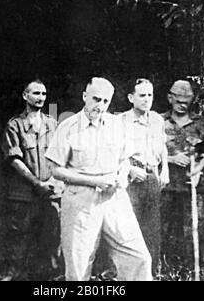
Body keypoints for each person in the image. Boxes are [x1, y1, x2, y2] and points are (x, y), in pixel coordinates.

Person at [45, 77, 152, 281]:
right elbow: (56, 169)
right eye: (96, 99)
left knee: (139, 257)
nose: (100, 105)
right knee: (79, 265)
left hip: (114, 197)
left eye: (105, 101)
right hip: (80, 200)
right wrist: (94, 182)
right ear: (85, 96)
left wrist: (121, 177)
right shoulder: (68, 126)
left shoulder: (117, 125)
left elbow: (125, 159)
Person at [2, 80, 62, 281]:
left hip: (51, 193)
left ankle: (49, 281)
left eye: (44, 94)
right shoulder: (15, 125)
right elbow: (14, 159)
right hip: (24, 196)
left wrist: (52, 181)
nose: (41, 97)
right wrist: (37, 183)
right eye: (36, 93)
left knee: (51, 240)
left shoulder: (52, 123)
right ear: (25, 96)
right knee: (21, 241)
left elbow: (60, 155)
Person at [161, 80, 204, 264]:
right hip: (165, 186)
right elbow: (148, 153)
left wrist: (198, 169)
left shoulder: (201, 123)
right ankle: (162, 268)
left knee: (193, 229)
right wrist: (171, 159)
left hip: (192, 186)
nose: (182, 104)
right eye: (178, 100)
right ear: (170, 98)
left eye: (186, 100)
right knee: (162, 228)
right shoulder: (158, 122)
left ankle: (191, 269)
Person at [120, 78, 169, 270]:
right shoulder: (121, 121)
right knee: (129, 228)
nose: (147, 99)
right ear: (131, 98)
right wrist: (129, 169)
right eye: (142, 95)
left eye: (150, 95)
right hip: (130, 179)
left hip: (152, 177)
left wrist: (165, 169)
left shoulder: (157, 120)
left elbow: (162, 146)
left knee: (152, 228)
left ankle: (150, 273)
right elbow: (114, 151)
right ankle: (126, 274)